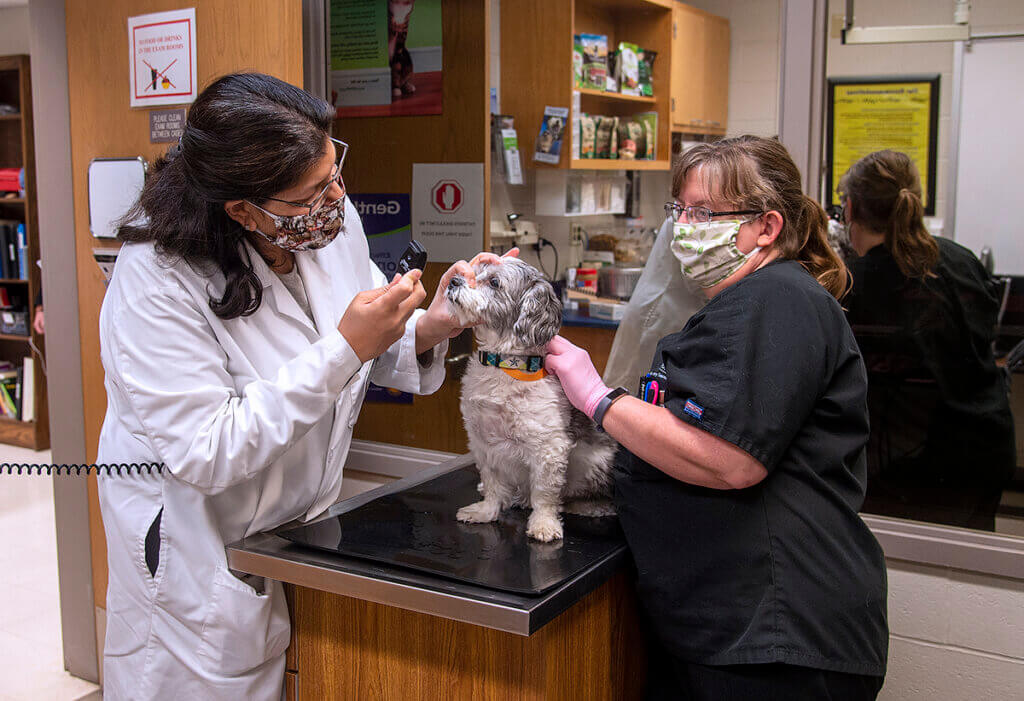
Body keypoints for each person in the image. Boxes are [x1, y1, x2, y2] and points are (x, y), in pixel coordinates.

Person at [95, 73, 510, 700]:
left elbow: (365, 332)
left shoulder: (323, 225)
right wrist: (347, 348)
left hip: (296, 524)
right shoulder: (156, 280)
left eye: (334, 171)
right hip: (198, 546)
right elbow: (207, 450)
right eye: (312, 193)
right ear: (241, 209)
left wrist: (431, 325)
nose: (335, 198)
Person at [545, 136, 888, 699]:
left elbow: (729, 458)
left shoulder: (773, 299)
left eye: (705, 212)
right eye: (680, 209)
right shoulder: (745, 304)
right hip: (738, 624)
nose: (685, 225)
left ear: (767, 226)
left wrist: (598, 399)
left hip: (774, 633)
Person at [839, 150, 1015, 530]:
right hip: (985, 450)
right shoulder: (963, 262)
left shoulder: (852, 284)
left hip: (906, 468)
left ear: (850, 210)